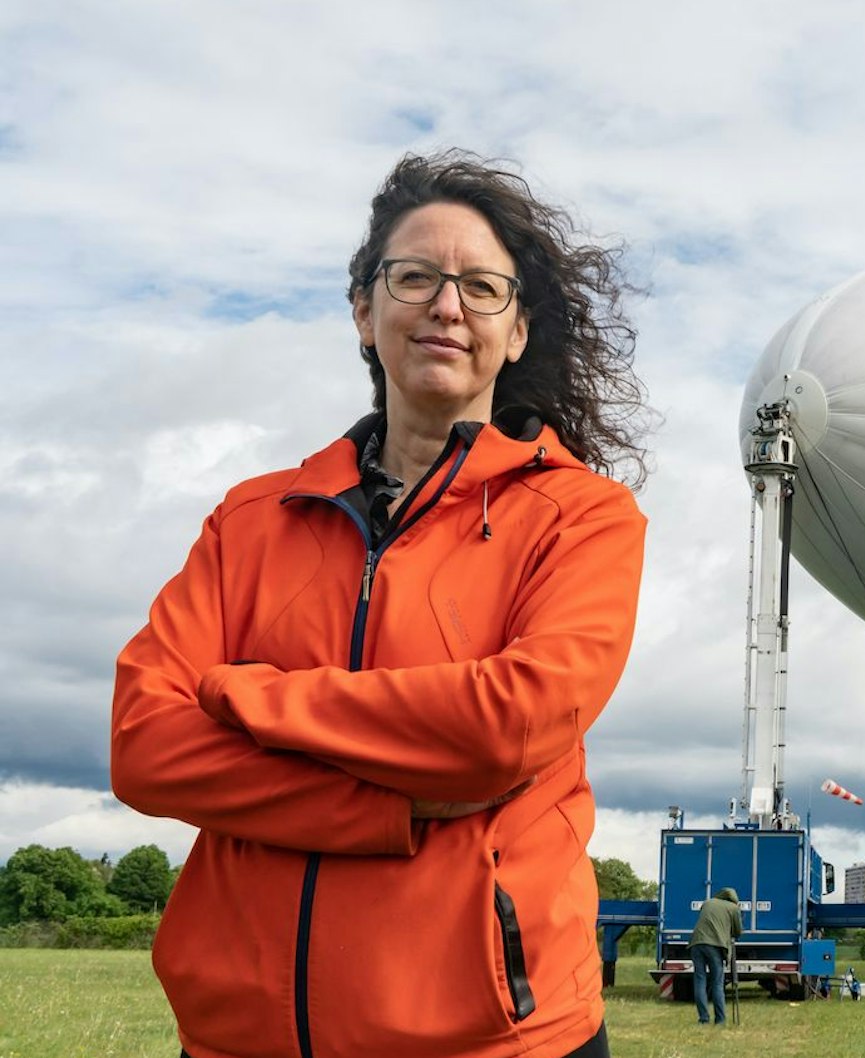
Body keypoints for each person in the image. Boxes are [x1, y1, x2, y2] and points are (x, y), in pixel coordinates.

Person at [110, 150, 649, 1058]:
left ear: (516, 332)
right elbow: (144, 747)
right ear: (364, 311)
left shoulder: (582, 517)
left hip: (499, 1040)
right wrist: (387, 811)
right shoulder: (251, 520)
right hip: (244, 1038)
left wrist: (249, 697)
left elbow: (507, 724)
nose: (447, 305)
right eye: (416, 278)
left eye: (482, 286)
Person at [689, 888, 743, 1025]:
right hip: (715, 945)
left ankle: (703, 1019)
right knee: (717, 983)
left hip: (697, 943)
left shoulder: (707, 903)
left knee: (700, 981)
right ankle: (720, 1020)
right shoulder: (733, 908)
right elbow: (738, 932)